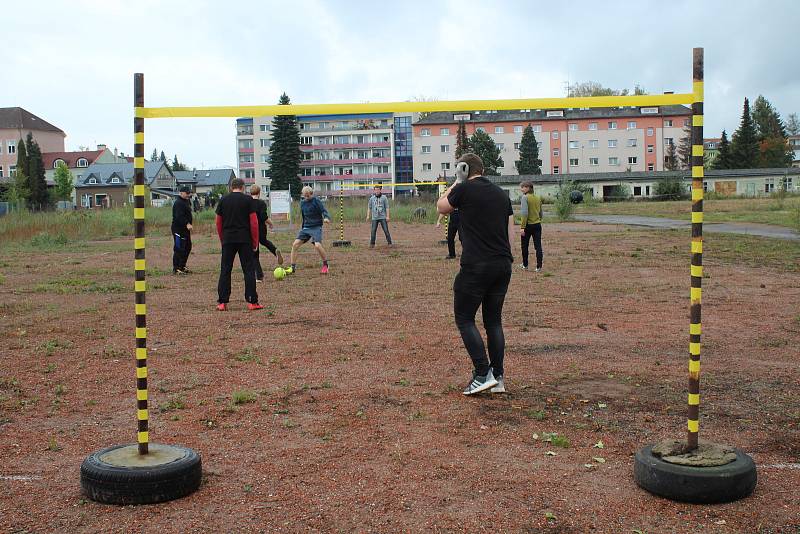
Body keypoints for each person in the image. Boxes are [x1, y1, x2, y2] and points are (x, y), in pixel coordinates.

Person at [437, 153, 515, 396]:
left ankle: (483, 373)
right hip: (502, 264)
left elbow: (441, 206)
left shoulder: (465, 189)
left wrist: (457, 181)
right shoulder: (502, 194)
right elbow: (510, 231)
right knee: (493, 321)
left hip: (476, 265)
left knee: (464, 318)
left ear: (464, 168)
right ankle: (498, 378)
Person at [215, 178, 263, 311]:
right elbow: (254, 223)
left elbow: (218, 222)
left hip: (228, 239)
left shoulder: (223, 200)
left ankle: (222, 302)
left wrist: (222, 239)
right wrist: (255, 242)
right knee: (248, 270)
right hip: (244, 239)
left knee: (225, 269)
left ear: (231, 187)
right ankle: (252, 301)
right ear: (242, 187)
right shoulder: (248, 200)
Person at [285, 186, 331, 275]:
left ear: (311, 194)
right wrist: (303, 228)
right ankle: (292, 268)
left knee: (317, 245)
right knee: (295, 245)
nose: (306, 197)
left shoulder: (316, 201)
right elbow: (304, 216)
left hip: (316, 227)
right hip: (306, 228)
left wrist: (326, 218)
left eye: (308, 196)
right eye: (304, 196)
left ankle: (325, 265)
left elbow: (324, 211)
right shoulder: (302, 203)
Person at [250, 185, 284, 281]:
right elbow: (264, 216)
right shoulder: (262, 203)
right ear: (259, 193)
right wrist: (271, 224)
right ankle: (275, 250)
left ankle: (259, 276)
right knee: (264, 241)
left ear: (250, 193)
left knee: (255, 253)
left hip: (251, 229)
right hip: (261, 227)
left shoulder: (247, 203)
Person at [519, 181, 544, 271]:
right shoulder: (538, 198)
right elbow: (541, 213)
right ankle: (539, 266)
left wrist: (522, 227)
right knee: (538, 246)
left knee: (524, 245)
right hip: (537, 225)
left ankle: (525, 265)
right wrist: (538, 220)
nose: (521, 189)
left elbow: (524, 213)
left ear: (528, 188)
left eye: (522, 187)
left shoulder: (525, 198)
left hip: (527, 226)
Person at [171, 186, 193, 274]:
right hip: (178, 229)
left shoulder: (186, 201)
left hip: (185, 230)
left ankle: (182, 266)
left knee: (187, 247)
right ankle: (176, 268)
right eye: (187, 193)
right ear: (181, 193)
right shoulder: (178, 203)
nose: (189, 195)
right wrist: (187, 223)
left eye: (189, 193)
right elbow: (178, 216)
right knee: (179, 248)